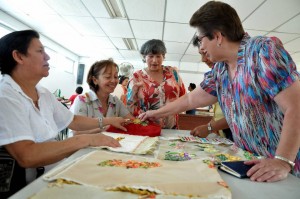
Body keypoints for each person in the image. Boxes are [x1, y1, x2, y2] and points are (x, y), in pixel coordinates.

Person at [139, 1, 300, 182]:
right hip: (254, 163)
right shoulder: (220, 69)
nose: (201, 47)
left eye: (201, 40)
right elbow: (191, 100)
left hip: (287, 167)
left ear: (217, 36)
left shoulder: (262, 51)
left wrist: (283, 161)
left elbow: (296, 106)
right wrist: (155, 113)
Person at [0, 30, 128, 196]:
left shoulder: (43, 93)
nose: (47, 57)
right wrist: (87, 139)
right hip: (27, 187)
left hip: (54, 173)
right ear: (19, 56)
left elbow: (72, 120)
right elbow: (27, 155)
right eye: (40, 51)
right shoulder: (5, 96)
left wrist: (108, 121)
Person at [127, 39, 186, 129]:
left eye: (158, 56)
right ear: (144, 57)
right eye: (151, 56)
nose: (155, 60)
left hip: (171, 127)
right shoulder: (136, 77)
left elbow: (183, 96)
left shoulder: (172, 73)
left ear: (163, 56)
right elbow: (130, 105)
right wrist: (144, 116)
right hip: (147, 127)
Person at [70, 59, 134, 135]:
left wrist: (134, 95)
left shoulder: (116, 101)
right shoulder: (82, 100)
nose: (114, 81)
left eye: (116, 77)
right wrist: (107, 127)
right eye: (108, 77)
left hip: (110, 145)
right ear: (95, 80)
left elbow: (131, 120)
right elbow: (76, 133)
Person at [190, 36, 233, 141]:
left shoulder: (233, 74)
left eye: (205, 53)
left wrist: (209, 128)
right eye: (201, 54)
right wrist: (208, 127)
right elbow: (219, 114)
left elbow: (238, 116)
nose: (203, 59)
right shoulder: (216, 75)